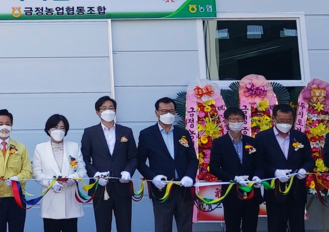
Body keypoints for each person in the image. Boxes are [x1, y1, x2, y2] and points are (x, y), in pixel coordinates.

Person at [137, 97, 197, 232]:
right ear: (156, 113)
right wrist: (153, 177)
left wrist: (189, 176)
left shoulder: (183, 133)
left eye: (171, 111)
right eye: (164, 111)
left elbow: (193, 159)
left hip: (183, 188)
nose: (168, 114)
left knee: (186, 227)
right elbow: (139, 161)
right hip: (162, 189)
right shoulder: (147, 134)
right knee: (163, 227)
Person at [81, 96, 137, 232]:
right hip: (100, 188)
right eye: (104, 108)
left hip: (122, 187)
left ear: (116, 110)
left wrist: (128, 171)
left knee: (125, 227)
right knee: (102, 227)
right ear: (97, 112)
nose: (108, 111)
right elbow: (84, 159)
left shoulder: (126, 131)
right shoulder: (90, 133)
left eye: (111, 108)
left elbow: (133, 157)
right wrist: (95, 174)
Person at [256, 104, 314, 232]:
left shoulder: (300, 137)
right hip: (274, 194)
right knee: (276, 228)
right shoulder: (263, 138)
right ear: (274, 119)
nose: (285, 124)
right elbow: (259, 163)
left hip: (297, 193)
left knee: (298, 228)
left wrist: (304, 169)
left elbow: (309, 160)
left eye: (289, 121)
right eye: (282, 120)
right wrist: (275, 172)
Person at [209, 107, 264, 232]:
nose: (236, 122)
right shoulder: (219, 143)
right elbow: (214, 167)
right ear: (226, 121)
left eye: (239, 119)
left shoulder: (252, 142)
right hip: (231, 194)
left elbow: (260, 164)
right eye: (232, 119)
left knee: (251, 227)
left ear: (244, 121)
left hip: (251, 193)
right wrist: (233, 178)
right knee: (232, 227)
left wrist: (257, 176)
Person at [33, 114, 86, 232]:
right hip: (50, 203)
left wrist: (74, 178)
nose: (59, 131)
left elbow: (82, 170)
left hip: (70, 202)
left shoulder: (74, 146)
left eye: (62, 128)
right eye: (55, 128)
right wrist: (50, 183)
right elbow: (36, 172)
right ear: (48, 130)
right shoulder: (40, 148)